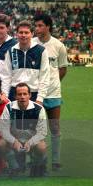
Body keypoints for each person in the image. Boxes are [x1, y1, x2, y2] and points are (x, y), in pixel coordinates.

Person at [34, 14, 68, 171]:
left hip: (53, 93)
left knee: (54, 127)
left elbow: (63, 68)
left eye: (40, 25)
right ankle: (37, 159)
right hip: (36, 93)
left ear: (48, 26)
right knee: (34, 128)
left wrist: (52, 84)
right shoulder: (32, 44)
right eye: (36, 25)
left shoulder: (59, 46)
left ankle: (56, 160)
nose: (37, 28)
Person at [0, 83, 48, 177]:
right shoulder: (9, 107)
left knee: (42, 146)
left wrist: (30, 142)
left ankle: (36, 166)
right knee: (2, 143)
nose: (22, 97)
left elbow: (43, 132)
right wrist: (14, 141)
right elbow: (3, 129)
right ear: (15, 96)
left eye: (25, 94)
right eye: (19, 94)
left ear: (30, 95)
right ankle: (14, 167)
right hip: (15, 141)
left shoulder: (39, 109)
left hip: (32, 142)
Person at [0, 21, 50, 103]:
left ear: (32, 34)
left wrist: (40, 98)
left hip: (33, 94)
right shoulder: (11, 51)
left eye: (26, 32)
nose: (23, 35)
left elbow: (44, 77)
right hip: (14, 94)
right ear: (17, 34)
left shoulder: (41, 51)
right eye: (21, 32)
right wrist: (4, 93)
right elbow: (6, 76)